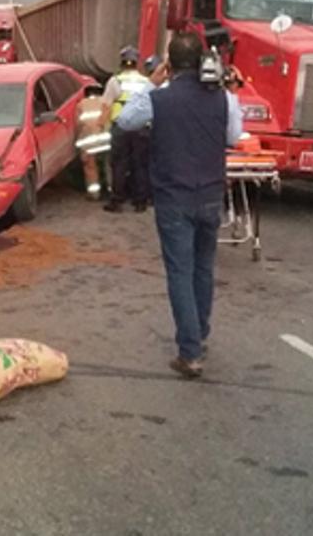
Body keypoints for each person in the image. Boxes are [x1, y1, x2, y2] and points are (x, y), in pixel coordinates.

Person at [118, 32, 244, 378]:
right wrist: (231, 92)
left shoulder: (158, 98)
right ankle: (199, 335)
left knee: (180, 272)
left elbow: (126, 121)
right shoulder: (222, 98)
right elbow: (234, 137)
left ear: (169, 65)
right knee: (203, 269)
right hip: (210, 196)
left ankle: (190, 353)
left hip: (174, 198)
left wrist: (148, 84)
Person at [102, 45, 152, 213]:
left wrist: (103, 126)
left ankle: (117, 201)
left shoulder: (115, 81)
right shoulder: (146, 82)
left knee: (119, 165)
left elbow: (106, 106)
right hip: (142, 128)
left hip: (121, 128)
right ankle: (140, 202)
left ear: (122, 62)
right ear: (137, 63)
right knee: (140, 164)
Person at [75, 82, 109, 200]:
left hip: (89, 140)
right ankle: (112, 190)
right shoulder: (106, 102)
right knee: (109, 164)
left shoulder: (81, 105)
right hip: (105, 138)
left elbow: (78, 125)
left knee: (90, 166)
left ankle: (94, 193)